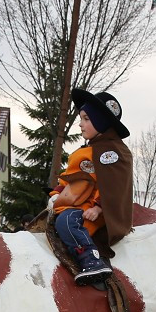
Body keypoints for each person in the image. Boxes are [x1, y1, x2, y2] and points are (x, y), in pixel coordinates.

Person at [48, 89, 132, 285]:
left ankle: (91, 260)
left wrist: (99, 207)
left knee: (66, 223)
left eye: (86, 119)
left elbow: (115, 185)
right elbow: (71, 179)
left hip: (92, 211)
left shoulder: (114, 152)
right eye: (81, 118)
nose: (80, 124)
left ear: (101, 121)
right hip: (73, 204)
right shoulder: (85, 152)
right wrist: (56, 194)